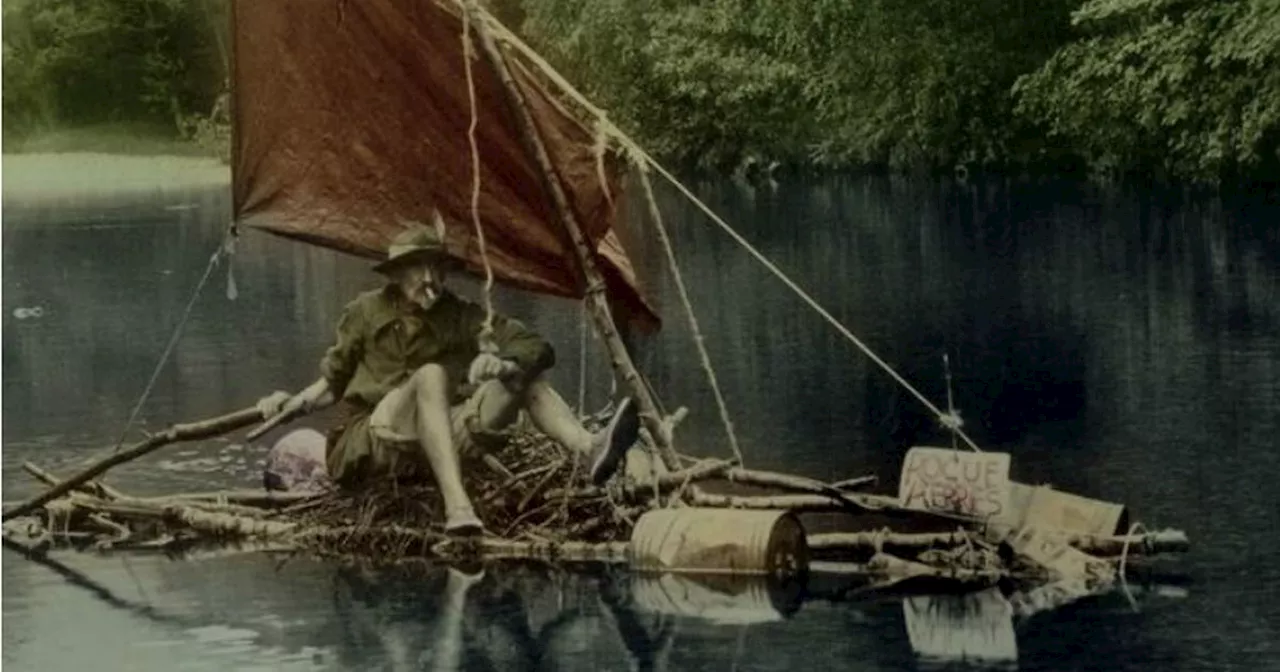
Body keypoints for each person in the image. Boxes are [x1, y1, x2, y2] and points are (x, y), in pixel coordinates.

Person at [257, 219, 641, 536]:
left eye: (436, 268)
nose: (428, 279)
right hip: (374, 440)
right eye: (416, 268)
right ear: (395, 273)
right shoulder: (364, 312)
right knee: (430, 376)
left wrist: (504, 365)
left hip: (438, 438)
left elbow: (535, 345)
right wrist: (288, 404)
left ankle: (589, 447)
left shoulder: (461, 316)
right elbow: (329, 387)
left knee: (526, 377)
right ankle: (457, 506)